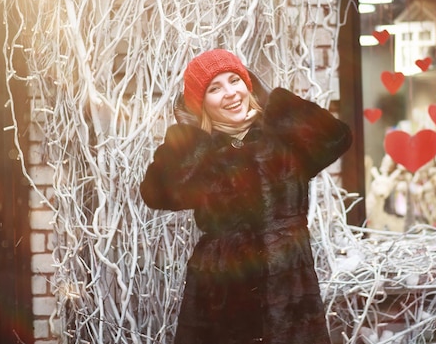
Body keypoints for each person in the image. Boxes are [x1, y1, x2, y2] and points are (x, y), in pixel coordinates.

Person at [139, 48, 352, 344]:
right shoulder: (202, 153)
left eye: (235, 80)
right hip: (222, 298)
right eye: (214, 88)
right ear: (202, 104)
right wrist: (189, 137)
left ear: (248, 85)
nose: (229, 93)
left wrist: (275, 104)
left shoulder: (282, 140)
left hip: (289, 294)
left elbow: (336, 137)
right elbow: (156, 193)